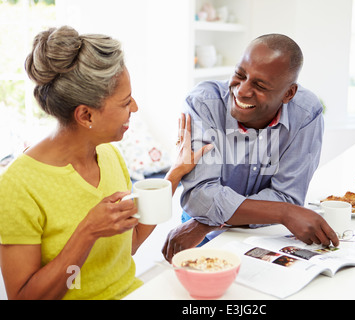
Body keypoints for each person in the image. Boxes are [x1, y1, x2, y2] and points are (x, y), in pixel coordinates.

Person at [0, 26, 211, 300]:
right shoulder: (19, 186)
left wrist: (176, 172)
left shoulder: (109, 155)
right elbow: (24, 297)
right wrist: (87, 233)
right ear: (86, 115)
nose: (134, 108)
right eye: (125, 102)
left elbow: (128, 246)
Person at [162, 34, 339, 262]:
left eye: (260, 85)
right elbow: (200, 198)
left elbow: (287, 195)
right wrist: (285, 213)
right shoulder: (203, 103)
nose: (242, 91)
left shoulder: (306, 113)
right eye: (240, 75)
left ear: (289, 93)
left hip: (259, 233)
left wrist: (204, 223)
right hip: (204, 233)